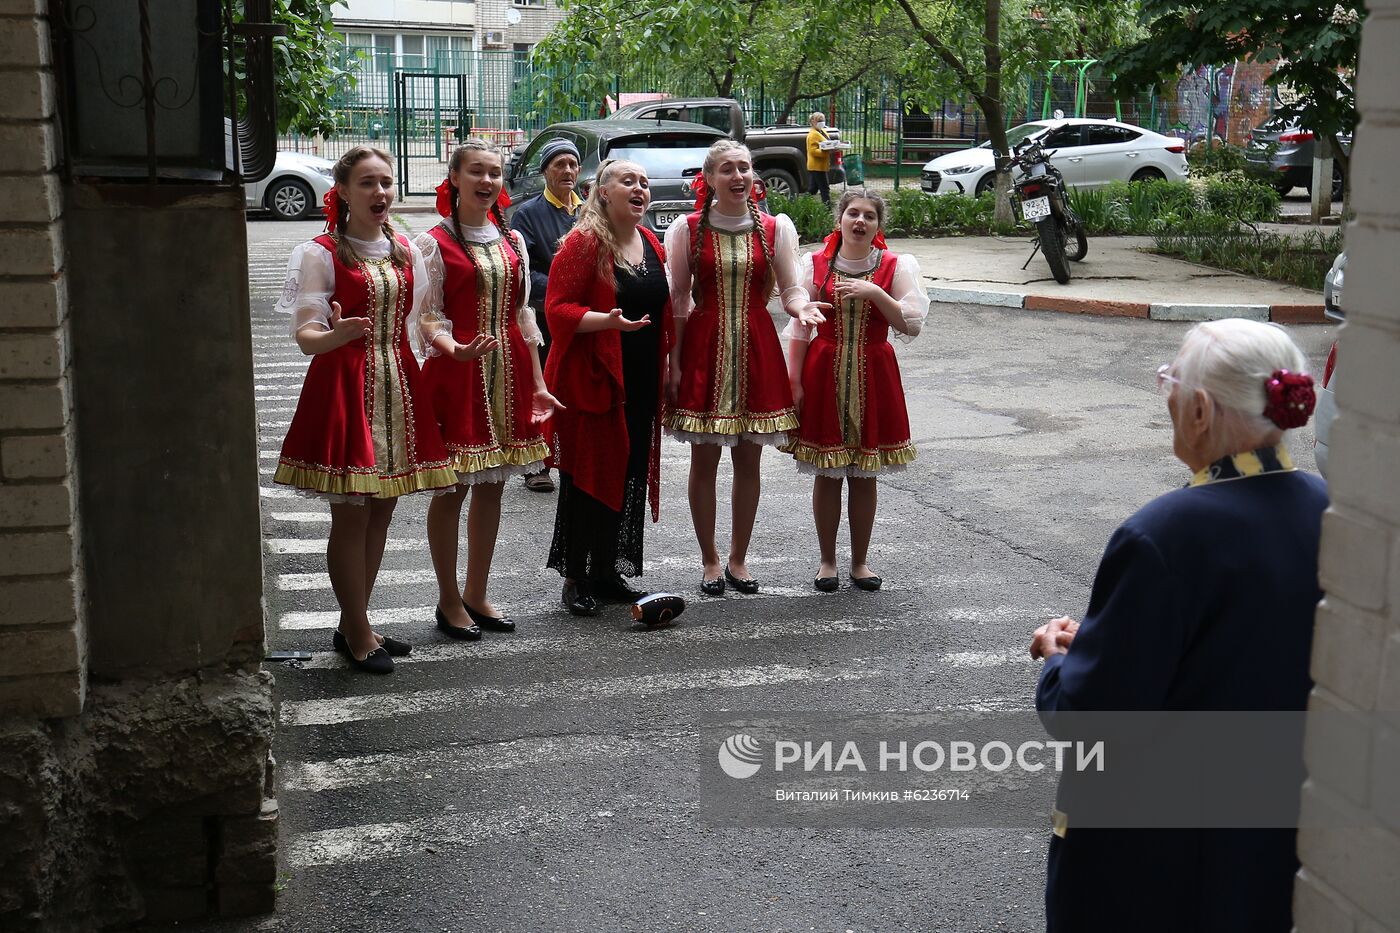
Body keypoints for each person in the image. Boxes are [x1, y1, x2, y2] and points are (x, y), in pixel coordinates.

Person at [1028, 318, 1327, 932]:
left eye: (1169, 380)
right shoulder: (1332, 512)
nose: (1165, 392)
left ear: (1197, 408)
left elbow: (1091, 718)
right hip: (1281, 838)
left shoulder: (1166, 532)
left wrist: (1061, 660)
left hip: (1157, 859)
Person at [273, 145, 459, 674]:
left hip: (399, 381)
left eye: (386, 182)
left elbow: (424, 319)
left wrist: (453, 348)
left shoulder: (403, 249)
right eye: (368, 183)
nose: (380, 192)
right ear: (343, 192)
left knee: (382, 508)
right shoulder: (320, 253)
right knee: (351, 513)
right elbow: (306, 337)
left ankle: (358, 619)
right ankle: (356, 631)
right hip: (345, 384)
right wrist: (336, 335)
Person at [664, 139, 828, 596]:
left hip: (756, 345)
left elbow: (791, 288)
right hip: (704, 346)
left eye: (746, 168)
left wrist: (801, 309)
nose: (739, 177)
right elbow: (678, 299)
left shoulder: (775, 228)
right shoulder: (688, 227)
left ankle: (738, 557)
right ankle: (710, 559)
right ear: (710, 178)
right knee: (704, 459)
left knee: (749, 460)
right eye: (729, 170)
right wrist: (673, 362)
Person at [417, 139, 559, 640]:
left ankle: (477, 590)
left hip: (510, 370)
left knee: (493, 484)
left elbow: (523, 314)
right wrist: (452, 347)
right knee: (453, 488)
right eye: (476, 171)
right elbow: (428, 314)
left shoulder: (512, 241)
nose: (487, 181)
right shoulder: (433, 243)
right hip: (457, 371)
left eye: (495, 173)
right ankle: (448, 598)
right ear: (454, 178)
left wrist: (539, 381)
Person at [544, 159, 674, 616]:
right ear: (603, 192)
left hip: (639, 380)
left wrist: (670, 367)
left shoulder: (650, 241)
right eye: (628, 181)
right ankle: (575, 577)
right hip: (594, 379)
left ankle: (606, 569)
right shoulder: (584, 244)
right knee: (588, 477)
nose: (639, 188)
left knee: (628, 472)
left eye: (644, 181)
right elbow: (556, 310)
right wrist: (606, 321)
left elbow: (663, 311)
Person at [783, 189, 927, 592]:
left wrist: (876, 294)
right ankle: (827, 561)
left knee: (865, 474)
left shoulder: (895, 267)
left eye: (869, 216)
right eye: (853, 214)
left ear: (879, 226)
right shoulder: (816, 264)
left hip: (874, 371)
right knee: (828, 472)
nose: (860, 221)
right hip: (824, 368)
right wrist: (794, 381)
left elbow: (911, 325)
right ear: (840, 219)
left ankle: (860, 562)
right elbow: (798, 326)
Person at [511, 137, 584, 493]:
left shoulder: (589, 211)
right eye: (559, 165)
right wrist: (562, 291)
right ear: (544, 172)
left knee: (577, 387)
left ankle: (572, 458)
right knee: (541, 385)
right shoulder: (528, 214)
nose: (567, 171)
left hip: (586, 317)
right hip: (546, 315)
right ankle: (536, 464)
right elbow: (525, 269)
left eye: (573, 164)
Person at [805, 111, 833, 205]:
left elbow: (827, 143)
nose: (822, 122)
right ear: (813, 122)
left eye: (823, 120)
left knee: (813, 189)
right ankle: (827, 208)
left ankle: (802, 203)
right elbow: (813, 151)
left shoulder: (822, 131)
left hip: (820, 165)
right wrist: (826, 152)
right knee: (825, 188)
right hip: (817, 166)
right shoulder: (813, 134)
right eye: (819, 120)